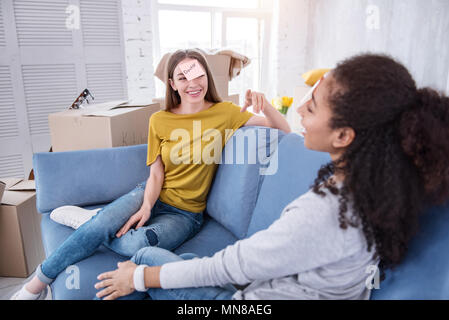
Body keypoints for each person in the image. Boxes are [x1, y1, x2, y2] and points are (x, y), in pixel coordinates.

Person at [94, 53, 449, 300]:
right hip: (279, 282)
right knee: (178, 263)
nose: (299, 107)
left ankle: (132, 267)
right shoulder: (378, 184)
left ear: (344, 136)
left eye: (311, 105)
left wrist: (139, 278)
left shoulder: (323, 214)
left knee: (145, 262)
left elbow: (232, 265)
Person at [11, 49, 291, 300]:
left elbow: (284, 131)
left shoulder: (225, 113)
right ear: (172, 84)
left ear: (207, 77)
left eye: (197, 75)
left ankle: (94, 223)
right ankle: (37, 283)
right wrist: (146, 205)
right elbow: (156, 172)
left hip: (186, 214)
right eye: (182, 77)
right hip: (148, 193)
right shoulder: (159, 120)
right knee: (101, 226)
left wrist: (264, 104)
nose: (192, 84)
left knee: (136, 242)